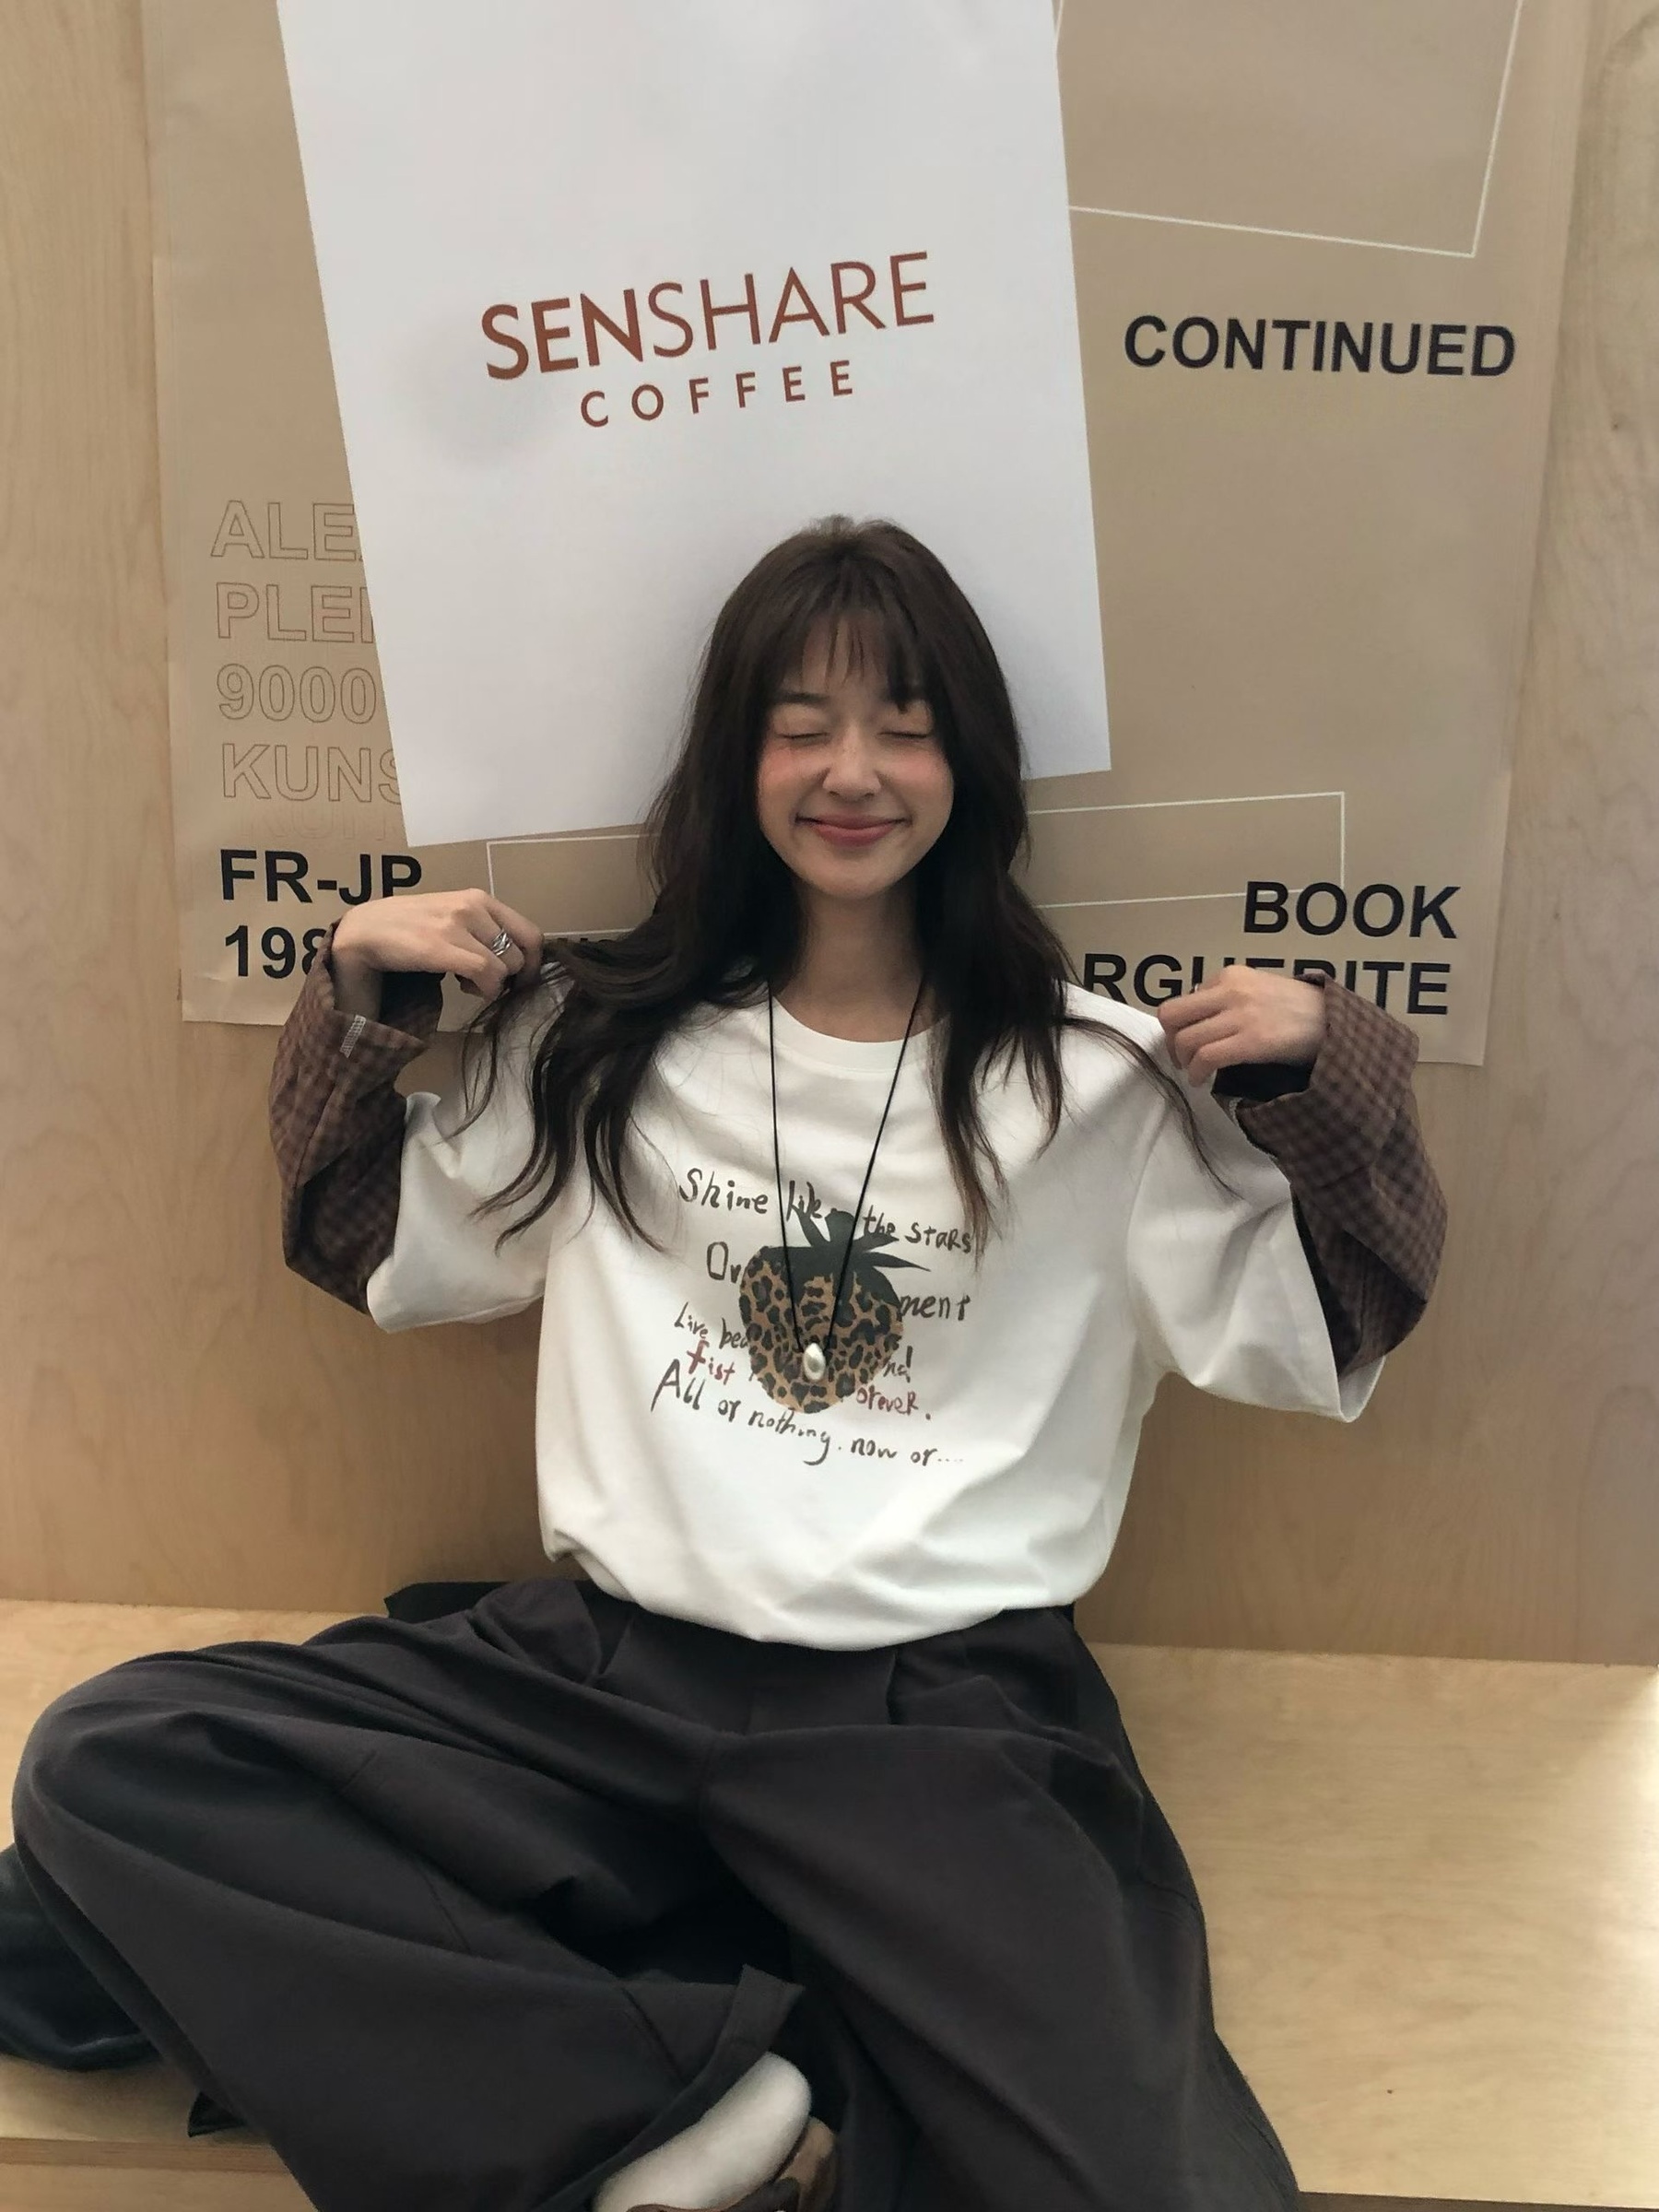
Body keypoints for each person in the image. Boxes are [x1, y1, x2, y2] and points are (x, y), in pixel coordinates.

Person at [11, 517, 1444, 2212]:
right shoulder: (601, 1040)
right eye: (799, 723)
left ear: (972, 765)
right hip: (602, 1683)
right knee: (118, 1761)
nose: (854, 771)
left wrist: (1339, 1072)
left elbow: (1328, 1324)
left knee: (1136, 2182)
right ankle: (666, 2114)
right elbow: (368, 1243)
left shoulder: (1098, 1084)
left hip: (938, 1722)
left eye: (906, 723)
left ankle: (727, 2050)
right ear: (731, 758)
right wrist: (360, 1002)